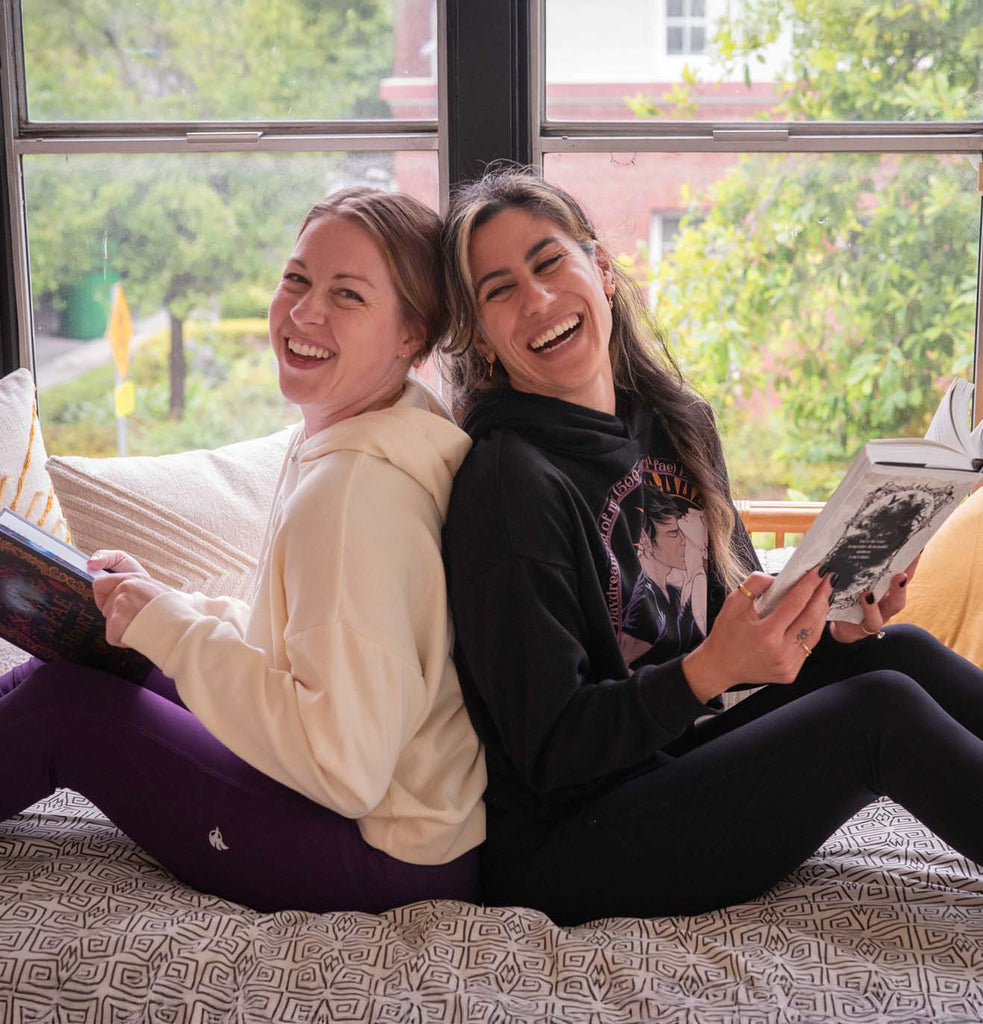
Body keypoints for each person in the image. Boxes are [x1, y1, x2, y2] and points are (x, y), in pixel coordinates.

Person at [439, 165, 983, 927]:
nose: (535, 300)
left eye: (548, 261)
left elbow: (728, 624)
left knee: (897, 653)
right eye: (497, 290)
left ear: (599, 269)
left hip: (676, 755)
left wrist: (832, 616)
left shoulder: (667, 420)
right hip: (574, 836)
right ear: (483, 340)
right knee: (877, 710)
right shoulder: (507, 486)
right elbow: (552, 750)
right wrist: (708, 670)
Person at [0, 187, 485, 914]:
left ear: (411, 334)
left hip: (380, 852)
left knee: (68, 711)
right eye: (297, 278)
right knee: (89, 649)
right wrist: (165, 607)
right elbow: (299, 645)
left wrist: (174, 631)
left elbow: (343, 765)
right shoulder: (366, 432)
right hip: (389, 820)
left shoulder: (354, 494)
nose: (304, 312)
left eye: (346, 295)